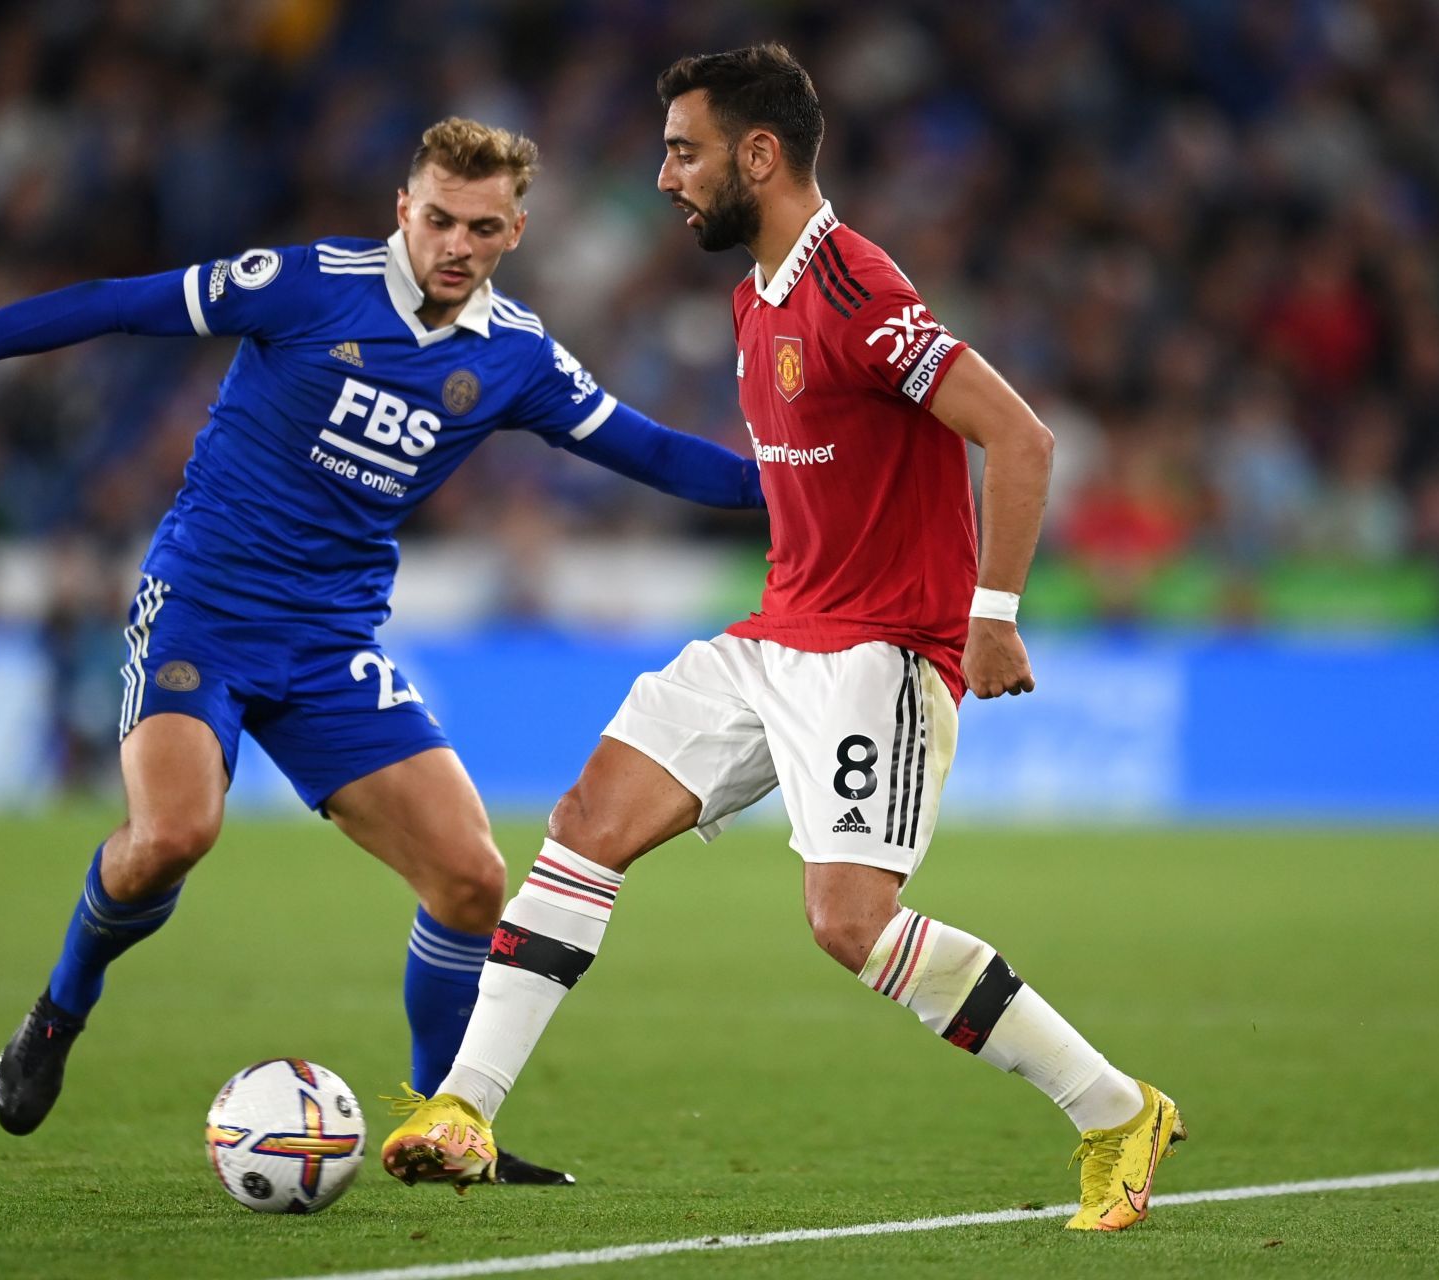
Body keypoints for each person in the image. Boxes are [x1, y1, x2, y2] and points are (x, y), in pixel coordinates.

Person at [0, 118, 765, 1185]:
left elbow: (651, 450)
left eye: (481, 226)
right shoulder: (306, 284)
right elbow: (118, 303)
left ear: (515, 231)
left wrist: (799, 481)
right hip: (205, 609)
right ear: (402, 212)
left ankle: (444, 1121)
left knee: (470, 878)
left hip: (329, 642)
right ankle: (59, 1008)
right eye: (437, 219)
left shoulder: (516, 358)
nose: (455, 243)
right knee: (174, 832)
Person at [381, 48, 1186, 1230]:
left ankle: (1116, 1108)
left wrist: (993, 616)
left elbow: (1020, 438)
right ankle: (463, 1105)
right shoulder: (755, 297)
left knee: (847, 922)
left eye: (683, 150)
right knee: (587, 823)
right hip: (777, 633)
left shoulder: (855, 289)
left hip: (880, 652)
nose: (664, 176)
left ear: (758, 155)